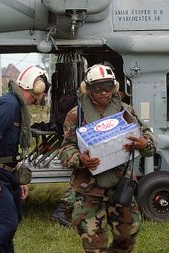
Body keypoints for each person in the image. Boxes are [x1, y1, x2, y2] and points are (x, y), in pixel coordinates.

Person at [59, 64, 156, 252]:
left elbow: (148, 137)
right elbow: (66, 148)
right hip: (88, 191)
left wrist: (145, 144)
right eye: (98, 89)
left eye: (108, 88)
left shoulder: (127, 112)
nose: (104, 93)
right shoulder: (75, 116)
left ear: (115, 87)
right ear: (88, 89)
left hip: (121, 186)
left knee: (128, 235)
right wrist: (80, 158)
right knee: (94, 244)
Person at [0, 65, 49, 253]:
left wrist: (17, 177)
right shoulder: (9, 104)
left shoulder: (18, 105)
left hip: (8, 172)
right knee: (6, 226)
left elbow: (10, 146)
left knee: (11, 222)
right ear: (37, 87)